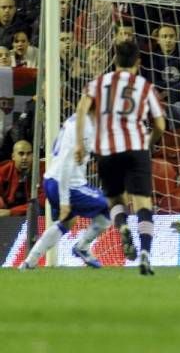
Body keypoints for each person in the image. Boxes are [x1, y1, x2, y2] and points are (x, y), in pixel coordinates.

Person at [75, 40, 166, 276]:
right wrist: (149, 141)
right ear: (138, 61)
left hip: (106, 150)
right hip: (136, 148)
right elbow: (160, 124)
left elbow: (82, 110)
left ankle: (123, 225)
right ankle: (145, 253)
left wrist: (79, 143)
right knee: (144, 203)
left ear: (114, 60)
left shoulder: (98, 83)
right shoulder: (144, 86)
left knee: (116, 201)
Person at [20, 114, 111, 269]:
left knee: (67, 222)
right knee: (108, 205)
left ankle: (29, 262)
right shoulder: (85, 127)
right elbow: (66, 164)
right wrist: (64, 202)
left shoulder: (75, 119)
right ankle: (82, 247)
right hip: (67, 183)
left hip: (51, 179)